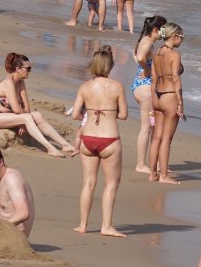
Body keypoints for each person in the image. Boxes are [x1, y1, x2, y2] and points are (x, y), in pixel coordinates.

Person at [70, 46, 128, 238]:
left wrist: (90, 112)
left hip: (88, 139)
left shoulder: (85, 87)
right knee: (111, 184)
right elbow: (124, 114)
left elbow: (76, 114)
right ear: (110, 66)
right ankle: (106, 226)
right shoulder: (117, 86)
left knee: (88, 182)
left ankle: (82, 224)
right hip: (109, 139)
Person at [0, 53, 76, 157]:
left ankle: (65, 145)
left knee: (37, 115)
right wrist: (22, 121)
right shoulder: (8, 82)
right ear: (18, 69)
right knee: (26, 117)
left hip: (5, 115)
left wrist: (22, 121)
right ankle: (50, 148)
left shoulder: (20, 82)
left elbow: (26, 108)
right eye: (28, 68)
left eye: (30, 68)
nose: (30, 71)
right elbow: (16, 109)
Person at [148, 22, 186, 184]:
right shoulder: (175, 55)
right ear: (174, 36)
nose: (182, 40)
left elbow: (153, 79)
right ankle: (163, 175)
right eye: (182, 37)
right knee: (166, 139)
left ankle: (152, 174)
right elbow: (176, 79)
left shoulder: (157, 53)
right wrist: (180, 103)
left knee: (156, 137)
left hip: (157, 96)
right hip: (170, 96)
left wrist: (153, 101)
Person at [131, 15, 167, 173]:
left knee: (152, 126)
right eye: (163, 29)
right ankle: (141, 164)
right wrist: (146, 70)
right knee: (147, 127)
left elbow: (136, 55)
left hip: (141, 86)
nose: (164, 33)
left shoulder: (144, 40)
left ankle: (156, 164)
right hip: (145, 88)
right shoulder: (148, 42)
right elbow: (139, 58)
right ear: (155, 29)